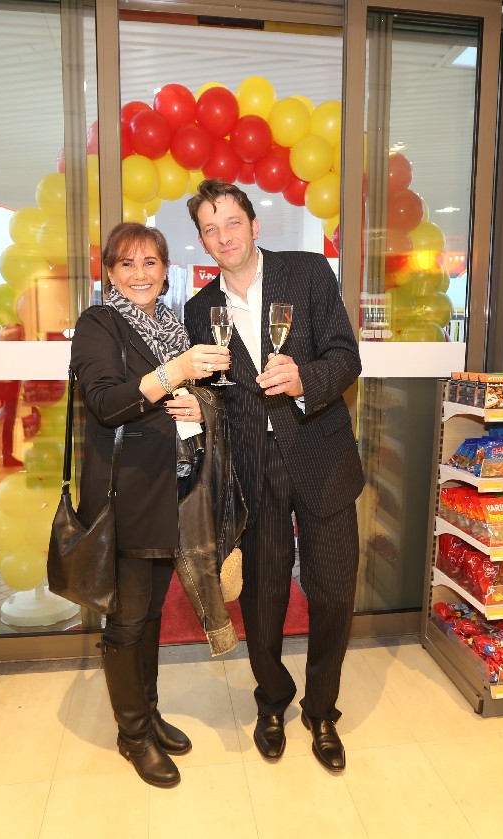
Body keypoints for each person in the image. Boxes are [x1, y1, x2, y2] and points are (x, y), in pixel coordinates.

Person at [183, 179, 364, 772]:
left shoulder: (307, 273)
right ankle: (272, 699)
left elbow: (346, 356)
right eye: (210, 229)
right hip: (251, 467)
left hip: (321, 455)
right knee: (264, 596)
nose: (224, 237)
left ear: (254, 226)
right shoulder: (199, 309)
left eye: (232, 222)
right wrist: (196, 405)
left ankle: (322, 708)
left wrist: (306, 378)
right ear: (203, 241)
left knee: (332, 591)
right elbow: (213, 393)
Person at [69, 221, 231, 788]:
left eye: (150, 262)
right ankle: (132, 734)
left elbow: (190, 397)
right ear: (110, 273)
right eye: (127, 263)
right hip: (126, 494)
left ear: (165, 270)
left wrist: (198, 404)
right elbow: (107, 403)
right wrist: (175, 372)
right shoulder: (98, 323)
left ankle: (149, 712)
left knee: (152, 613)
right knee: (127, 618)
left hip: (171, 489)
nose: (139, 274)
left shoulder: (169, 323)